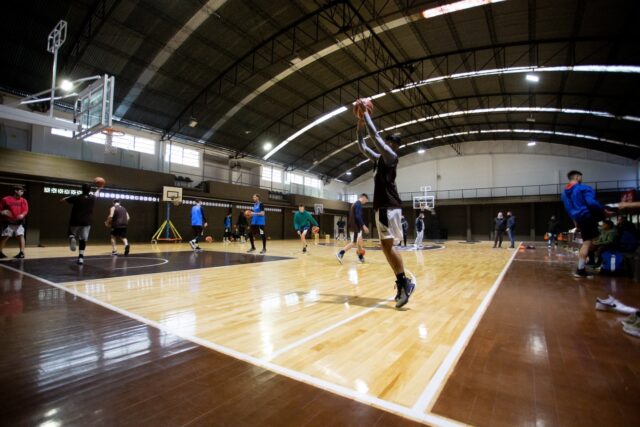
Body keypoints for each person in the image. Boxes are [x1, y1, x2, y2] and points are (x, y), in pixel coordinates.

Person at [357, 103, 416, 309]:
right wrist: (359, 123)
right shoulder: (378, 159)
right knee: (385, 246)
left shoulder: (391, 157)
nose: (387, 144)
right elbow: (362, 145)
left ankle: (403, 284)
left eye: (390, 142)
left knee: (389, 246)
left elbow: (374, 138)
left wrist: (365, 113)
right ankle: (402, 283)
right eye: (388, 141)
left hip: (388, 207)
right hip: (382, 207)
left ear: (394, 145)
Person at [561, 170, 613, 278]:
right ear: (576, 177)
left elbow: (568, 210)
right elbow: (592, 203)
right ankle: (580, 270)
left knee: (591, 241)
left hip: (579, 219)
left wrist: (575, 222)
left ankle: (586, 262)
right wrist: (603, 211)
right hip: (588, 216)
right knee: (587, 244)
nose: (581, 178)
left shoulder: (564, 194)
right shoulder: (583, 188)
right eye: (580, 176)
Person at [63, 183, 102, 265]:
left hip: (75, 220)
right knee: (82, 240)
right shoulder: (92, 198)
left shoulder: (76, 197)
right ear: (89, 190)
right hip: (86, 222)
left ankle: (72, 238)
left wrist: (66, 198)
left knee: (71, 233)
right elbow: (96, 194)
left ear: (82, 189)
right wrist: (99, 188)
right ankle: (81, 257)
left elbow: (63, 200)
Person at [336, 193, 369, 264]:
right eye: (366, 200)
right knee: (353, 243)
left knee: (360, 242)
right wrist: (363, 225)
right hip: (355, 228)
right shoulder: (358, 204)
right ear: (363, 197)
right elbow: (358, 216)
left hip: (356, 227)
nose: (365, 202)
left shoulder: (354, 204)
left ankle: (360, 257)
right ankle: (340, 253)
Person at [0, 185, 29, 259]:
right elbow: (0, 209)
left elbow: (26, 210)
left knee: (21, 236)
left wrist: (22, 214)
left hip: (19, 222)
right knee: (5, 236)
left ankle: (21, 253)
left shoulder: (23, 200)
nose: (22, 192)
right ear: (16, 191)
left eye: (23, 191)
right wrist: (2, 212)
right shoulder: (5, 199)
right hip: (8, 222)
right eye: (21, 190)